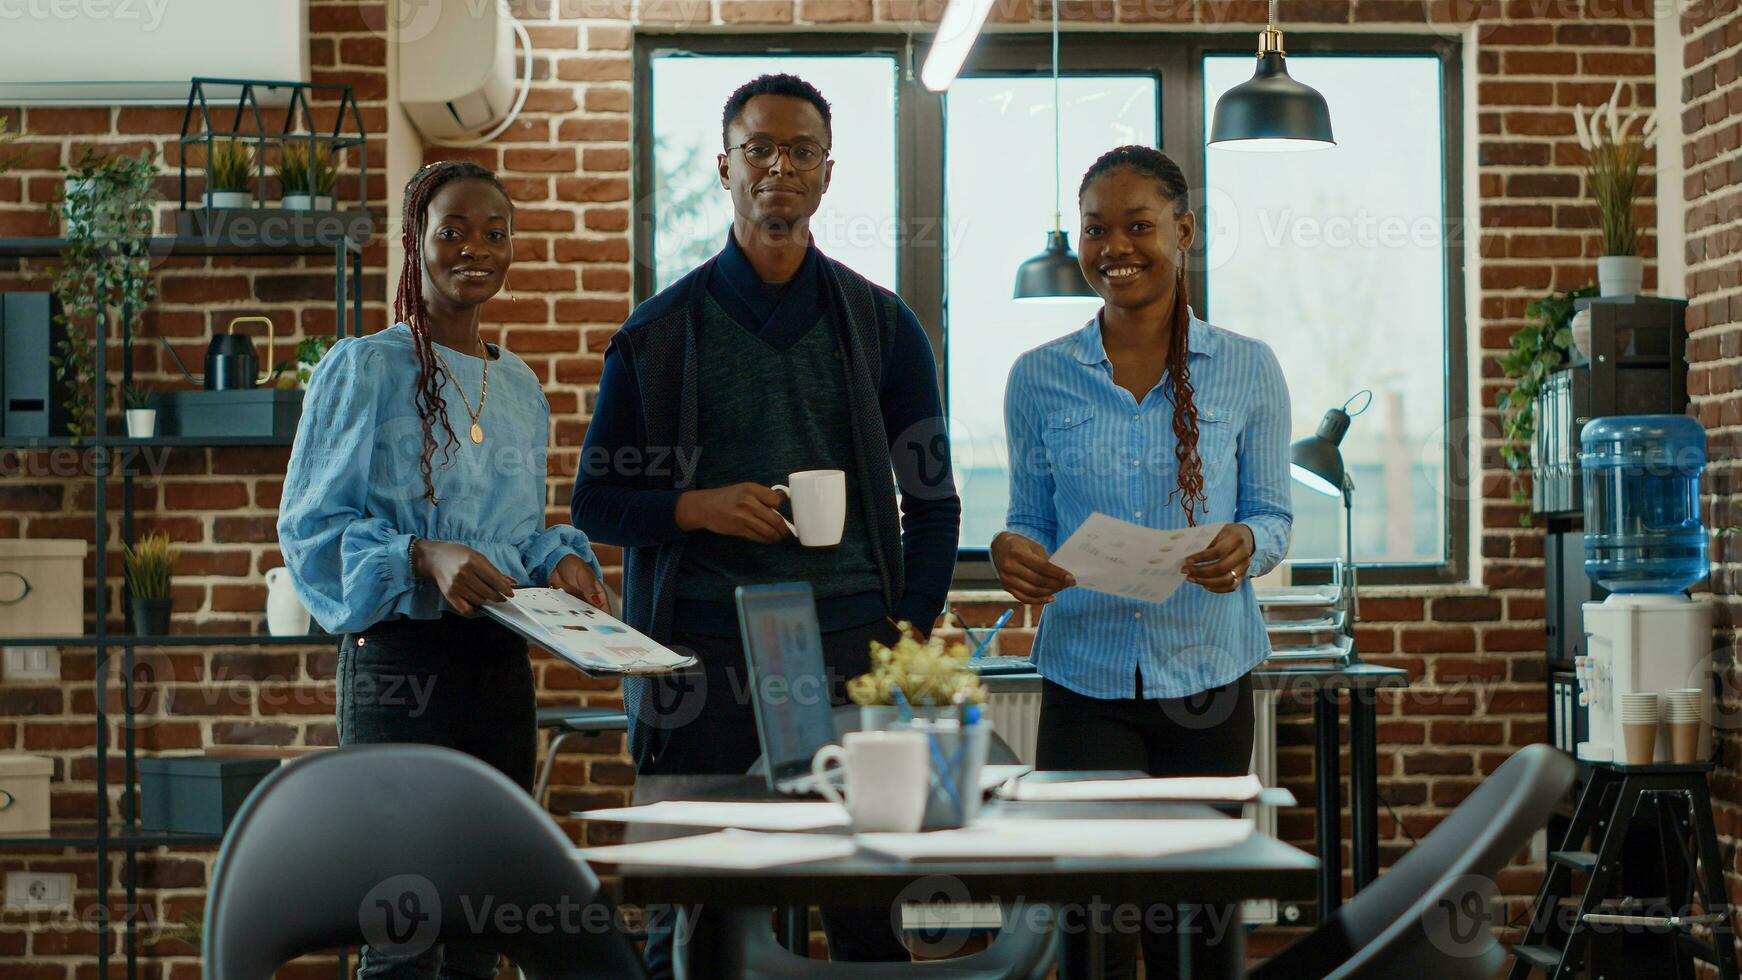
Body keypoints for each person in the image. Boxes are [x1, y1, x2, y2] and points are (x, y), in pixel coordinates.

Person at [570, 74, 959, 974]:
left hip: (846, 645)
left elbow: (933, 505)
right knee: (694, 907)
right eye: (760, 148)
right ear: (725, 166)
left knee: (866, 904)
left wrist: (904, 638)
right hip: (700, 649)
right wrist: (694, 507)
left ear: (827, 173)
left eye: (803, 150)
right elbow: (595, 501)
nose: (781, 165)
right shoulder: (657, 335)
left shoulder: (884, 327)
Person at [279, 160, 607, 980]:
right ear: (414, 242)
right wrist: (422, 555)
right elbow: (311, 529)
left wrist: (559, 560)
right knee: (406, 924)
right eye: (452, 229)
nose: (476, 247)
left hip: (499, 669)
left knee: (481, 919)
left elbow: (515, 536)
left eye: (495, 232)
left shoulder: (522, 386)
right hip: (398, 668)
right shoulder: (364, 367)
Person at [992, 145, 1293, 979]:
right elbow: (1027, 521)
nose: (1113, 246)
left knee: (1195, 930)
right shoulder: (1038, 377)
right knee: (1092, 923)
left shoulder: (1248, 368)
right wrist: (1011, 551)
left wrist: (1247, 547)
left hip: (1208, 675)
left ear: (1184, 231)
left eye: (1138, 225)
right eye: (1096, 229)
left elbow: (1271, 515)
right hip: (1084, 679)